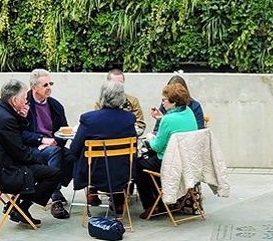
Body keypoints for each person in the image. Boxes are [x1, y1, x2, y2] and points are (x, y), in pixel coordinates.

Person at [0, 79, 62, 226]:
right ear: (14, 100)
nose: (26, 102)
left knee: (43, 167)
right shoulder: (5, 118)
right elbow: (20, 153)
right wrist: (40, 158)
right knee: (53, 173)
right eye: (24, 99)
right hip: (5, 170)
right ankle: (21, 208)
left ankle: (17, 207)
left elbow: (14, 140)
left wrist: (21, 117)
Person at [71, 80, 137, 213]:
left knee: (80, 154)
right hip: (122, 175)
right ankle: (119, 201)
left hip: (94, 176)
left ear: (102, 96)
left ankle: (92, 194)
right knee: (118, 159)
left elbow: (74, 148)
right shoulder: (129, 118)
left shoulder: (89, 118)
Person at [135, 83, 198, 219]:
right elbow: (176, 127)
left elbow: (157, 146)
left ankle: (150, 204)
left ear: (173, 102)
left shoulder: (168, 120)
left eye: (164, 100)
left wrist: (150, 138)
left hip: (169, 162)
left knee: (137, 164)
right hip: (187, 160)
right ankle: (162, 200)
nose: (162, 103)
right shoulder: (188, 112)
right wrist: (162, 118)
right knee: (148, 162)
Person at [20, 69, 72, 219]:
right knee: (55, 154)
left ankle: (53, 187)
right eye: (45, 85)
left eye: (51, 83)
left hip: (53, 145)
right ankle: (55, 198)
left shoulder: (56, 105)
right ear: (34, 88)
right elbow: (20, 133)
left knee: (73, 156)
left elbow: (64, 129)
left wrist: (57, 141)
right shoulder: (24, 104)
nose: (49, 87)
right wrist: (41, 140)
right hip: (32, 147)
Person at [105, 69, 145, 135]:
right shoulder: (101, 102)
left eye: (120, 83)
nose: (118, 86)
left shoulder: (133, 101)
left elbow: (140, 125)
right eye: (114, 83)